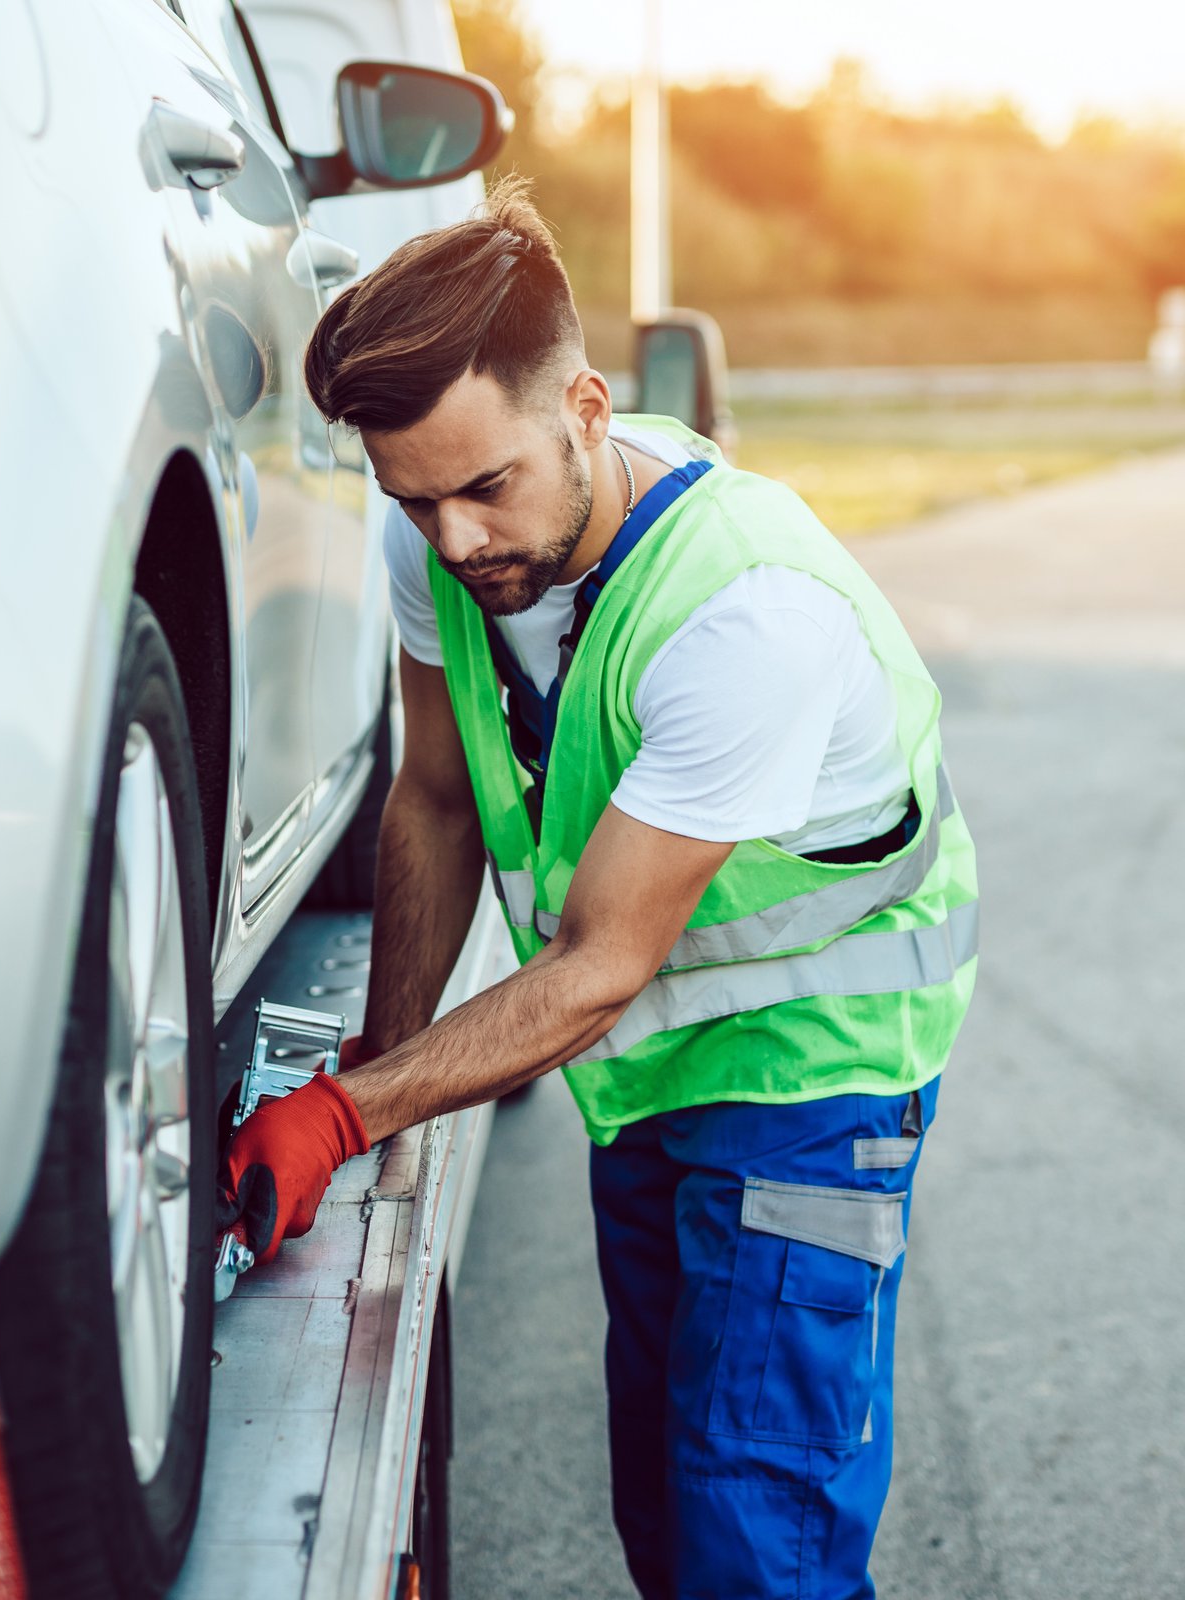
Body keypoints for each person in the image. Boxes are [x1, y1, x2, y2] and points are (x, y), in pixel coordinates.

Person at [216, 177, 978, 1600]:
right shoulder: (439, 542)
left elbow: (600, 962)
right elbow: (436, 802)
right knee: (667, 1521)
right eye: (413, 497)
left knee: (754, 1542)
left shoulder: (742, 614)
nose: (454, 543)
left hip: (813, 1088)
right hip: (651, 1083)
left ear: (582, 407)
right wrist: (384, 1078)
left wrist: (340, 1111)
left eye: (485, 487)